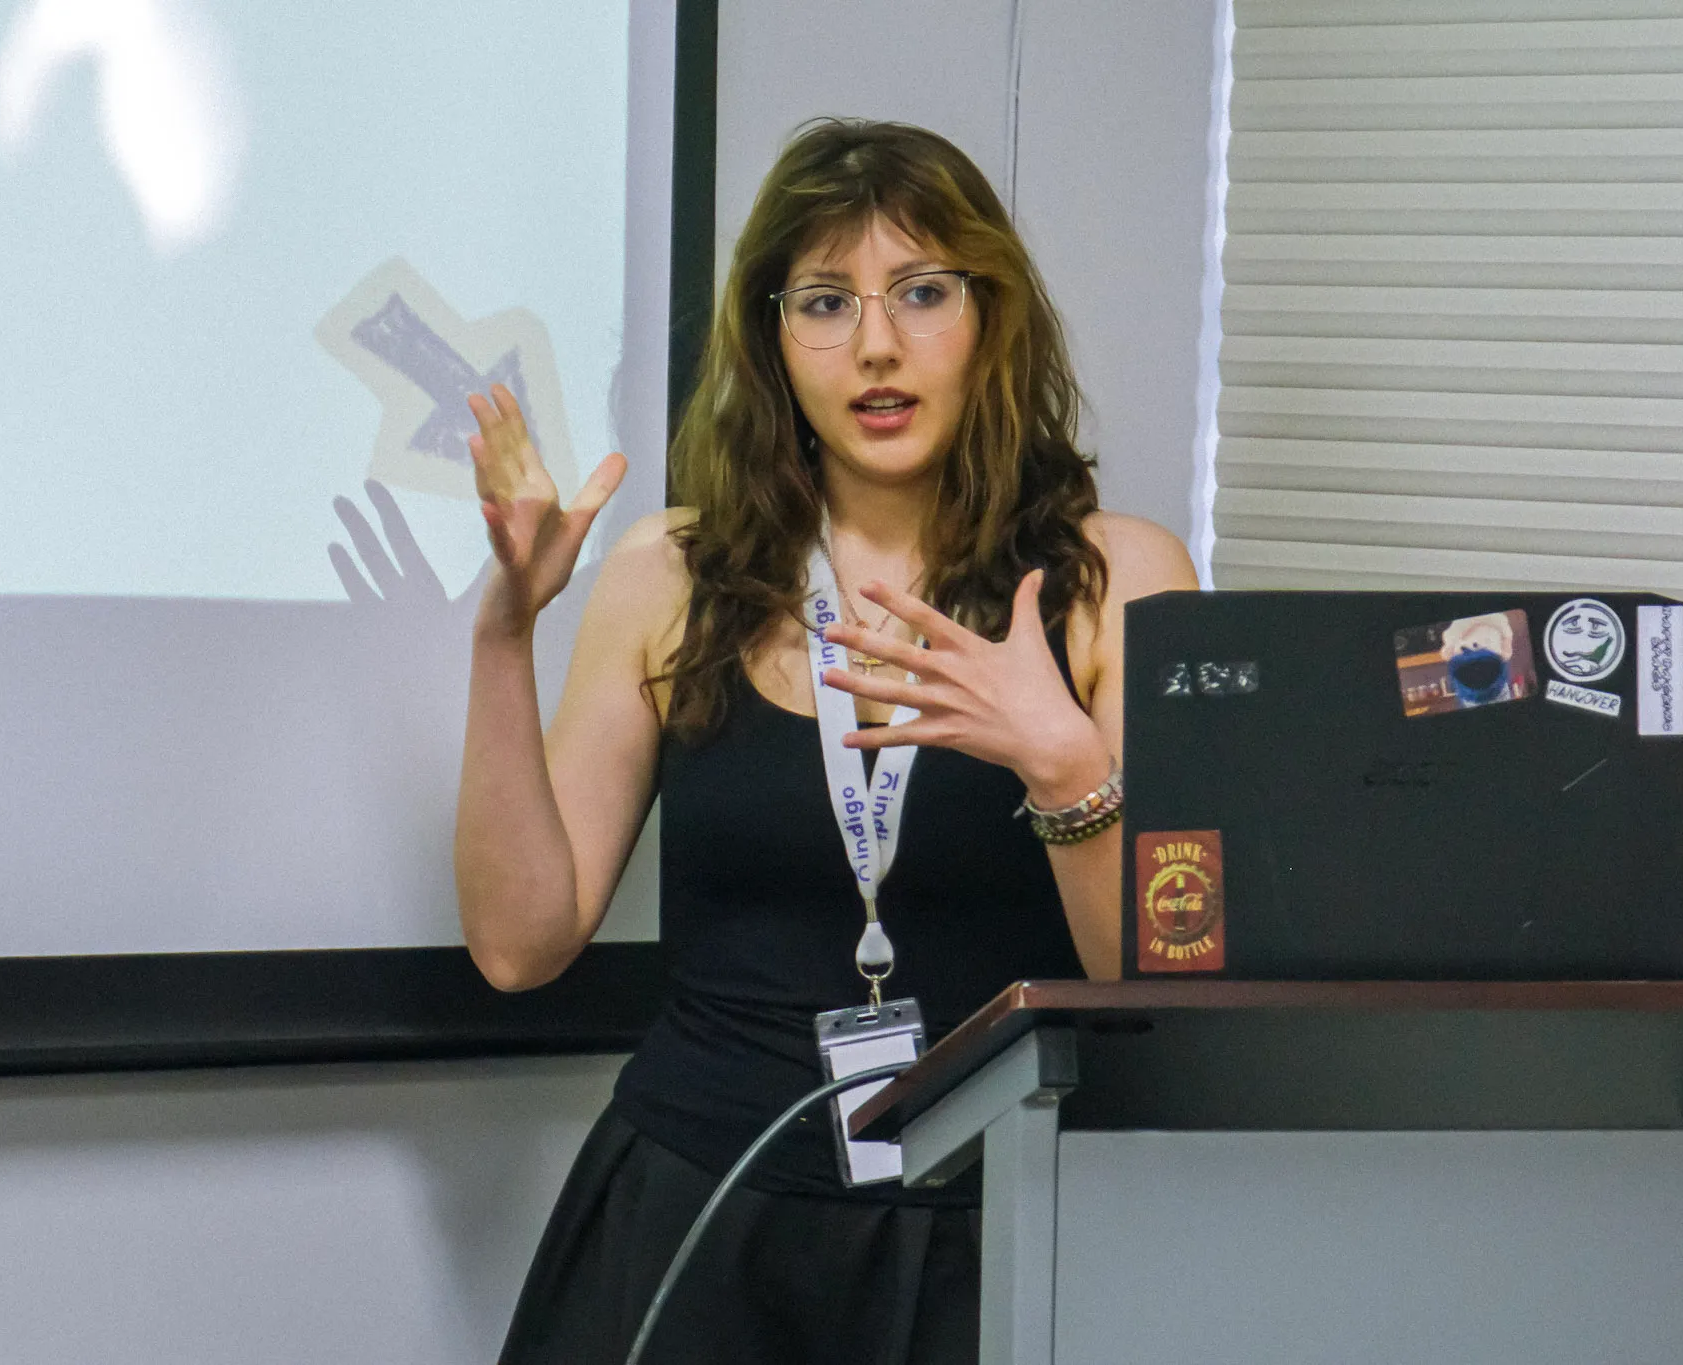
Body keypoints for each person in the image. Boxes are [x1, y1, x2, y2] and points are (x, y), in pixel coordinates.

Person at [456, 118, 1198, 1365]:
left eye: (919, 292)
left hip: (995, 1232)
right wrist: (502, 634)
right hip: (697, 1212)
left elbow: (1167, 990)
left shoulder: (1114, 578)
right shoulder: (670, 574)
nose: (874, 346)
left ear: (989, 317)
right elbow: (519, 946)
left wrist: (1062, 765)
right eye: (822, 302)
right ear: (770, 339)